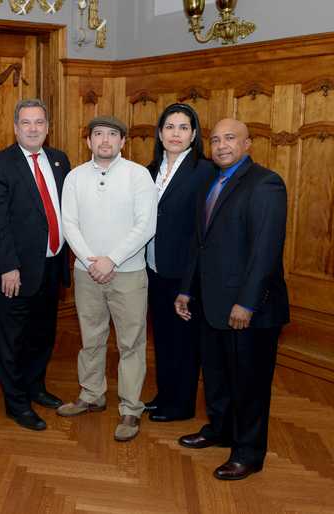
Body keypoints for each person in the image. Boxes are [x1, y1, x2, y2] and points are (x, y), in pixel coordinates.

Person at [175, 118, 289, 480]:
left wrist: (248, 303)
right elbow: (201, 243)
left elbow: (266, 250)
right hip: (211, 302)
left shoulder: (265, 184)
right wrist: (185, 289)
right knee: (217, 375)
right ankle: (221, 430)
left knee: (250, 384)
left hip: (248, 309)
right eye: (215, 139)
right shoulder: (212, 181)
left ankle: (248, 452)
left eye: (230, 139)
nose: (222, 145)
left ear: (248, 143)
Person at [57, 115, 157, 442]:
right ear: (88, 141)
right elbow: (68, 224)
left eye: (112, 135)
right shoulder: (74, 177)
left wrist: (111, 259)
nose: (105, 140)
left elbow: (145, 226)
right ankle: (92, 394)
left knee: (130, 343)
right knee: (91, 337)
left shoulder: (138, 176)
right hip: (87, 274)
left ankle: (130, 408)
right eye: (98, 134)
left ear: (122, 142)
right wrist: (91, 260)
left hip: (127, 274)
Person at [0, 98, 71, 431]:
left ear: (47, 127)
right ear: (16, 128)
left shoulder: (60, 160)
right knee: (11, 339)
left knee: (42, 333)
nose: (33, 129)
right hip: (15, 271)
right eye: (26, 123)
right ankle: (16, 402)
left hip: (51, 265)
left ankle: (36, 387)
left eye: (39, 123)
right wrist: (7, 266)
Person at [144, 104, 216, 422]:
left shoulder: (205, 171)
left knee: (185, 342)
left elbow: (203, 234)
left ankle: (181, 404)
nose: (176, 133)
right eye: (170, 127)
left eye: (183, 127)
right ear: (160, 133)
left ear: (194, 134)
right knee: (163, 338)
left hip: (185, 273)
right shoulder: (149, 170)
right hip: (154, 269)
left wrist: (188, 285)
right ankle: (166, 394)